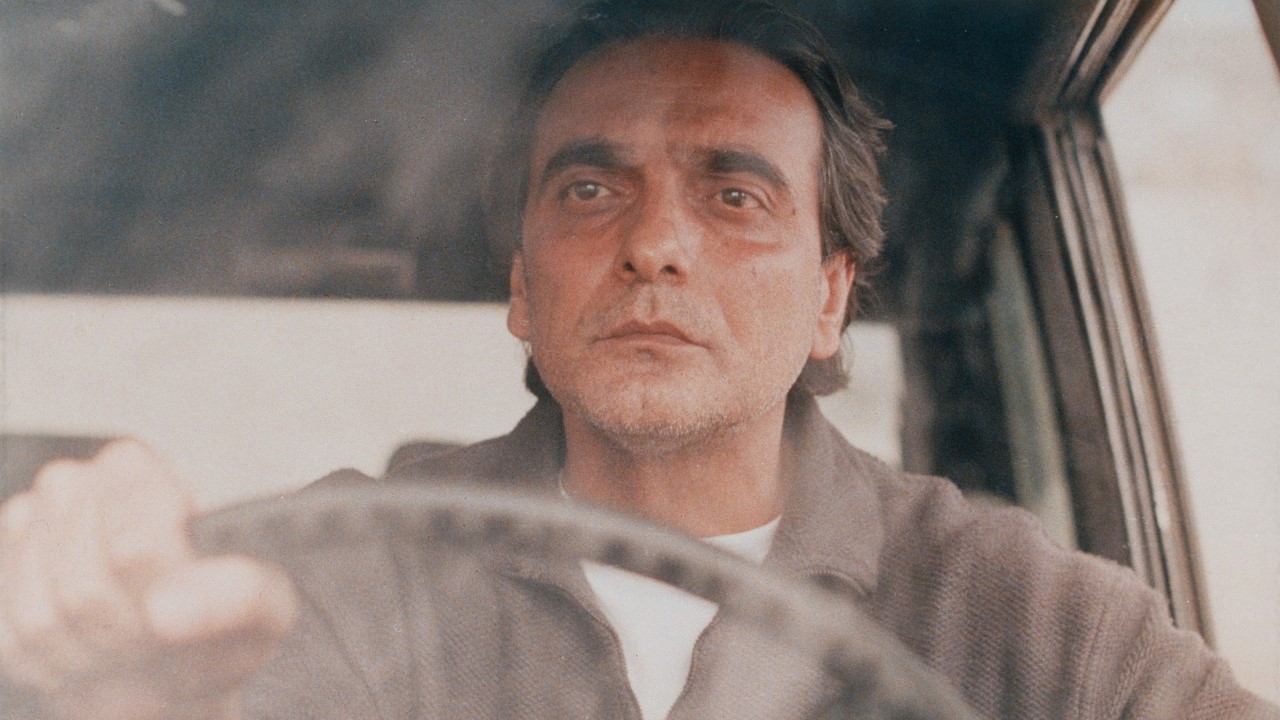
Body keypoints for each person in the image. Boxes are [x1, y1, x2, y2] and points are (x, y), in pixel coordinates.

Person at [0, 2, 1274, 719]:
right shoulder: (349, 572)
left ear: (829, 299)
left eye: (735, 195)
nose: (654, 243)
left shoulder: (1029, 617)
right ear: (521, 287)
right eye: (590, 187)